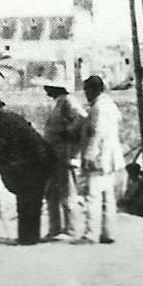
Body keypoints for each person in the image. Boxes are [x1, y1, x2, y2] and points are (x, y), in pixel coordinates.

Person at [0, 93, 55, 245]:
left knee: (26, 200)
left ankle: (27, 239)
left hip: (32, 165)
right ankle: (30, 237)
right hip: (42, 162)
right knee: (32, 201)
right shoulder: (11, 116)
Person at [79, 75, 124, 244]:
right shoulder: (109, 104)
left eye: (86, 90)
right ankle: (108, 233)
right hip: (111, 156)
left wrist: (89, 155)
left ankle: (91, 234)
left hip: (100, 156)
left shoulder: (98, 107)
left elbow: (96, 134)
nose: (86, 94)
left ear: (93, 90)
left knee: (93, 196)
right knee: (108, 197)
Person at [42, 85, 89, 240]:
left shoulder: (68, 101)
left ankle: (72, 230)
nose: (45, 89)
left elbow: (82, 118)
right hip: (54, 154)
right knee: (52, 194)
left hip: (64, 154)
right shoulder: (58, 102)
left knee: (67, 193)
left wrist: (68, 134)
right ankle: (55, 229)